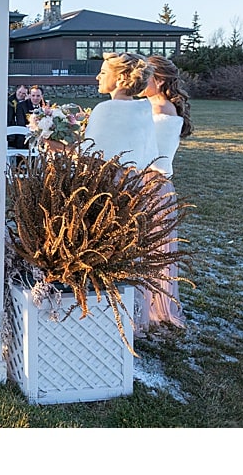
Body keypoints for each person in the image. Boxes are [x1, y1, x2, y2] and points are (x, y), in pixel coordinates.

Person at [138, 54, 193, 330]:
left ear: (158, 81)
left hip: (152, 183)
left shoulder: (162, 111)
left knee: (151, 247)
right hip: (145, 180)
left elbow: (154, 155)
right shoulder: (148, 106)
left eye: (144, 76)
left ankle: (152, 307)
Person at [81, 53, 158, 169]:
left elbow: (90, 157)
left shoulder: (108, 109)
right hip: (133, 182)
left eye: (103, 72)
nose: (98, 77)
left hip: (106, 182)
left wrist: (59, 146)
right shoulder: (143, 110)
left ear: (121, 77)